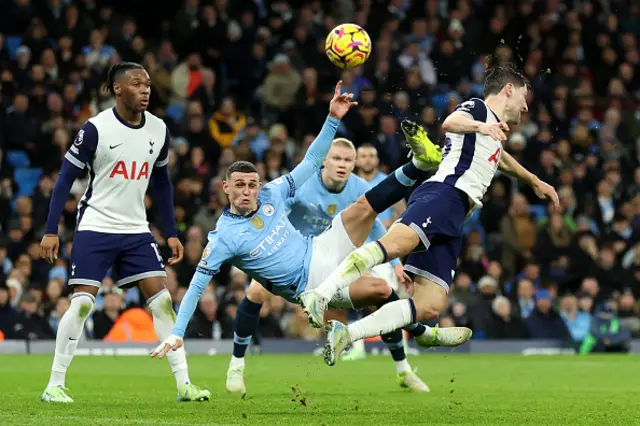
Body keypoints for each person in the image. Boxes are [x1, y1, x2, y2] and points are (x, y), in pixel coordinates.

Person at [151, 81, 452, 367]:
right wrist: (178, 331)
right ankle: (421, 334)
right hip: (311, 285)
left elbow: (310, 162)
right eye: (239, 185)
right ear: (225, 188)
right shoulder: (223, 237)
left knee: (362, 207)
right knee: (380, 289)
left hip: (320, 248)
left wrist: (333, 118)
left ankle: (420, 164)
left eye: (252, 185)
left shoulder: (272, 193)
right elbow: (196, 286)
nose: (247, 191)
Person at [299, 64, 561, 366]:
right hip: (443, 195)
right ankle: (321, 293)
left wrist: (533, 180)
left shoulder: (492, 131)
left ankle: (348, 334)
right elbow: (451, 122)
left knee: (428, 307)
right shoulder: (477, 109)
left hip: (455, 216)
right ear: (509, 90)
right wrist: (481, 127)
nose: (526, 107)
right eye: (524, 98)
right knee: (392, 247)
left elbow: (499, 156)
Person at [40, 62, 210, 403]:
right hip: (96, 225)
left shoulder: (159, 129)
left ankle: (184, 385)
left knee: (162, 302)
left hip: (135, 229)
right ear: (117, 89)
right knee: (84, 303)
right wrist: (51, 230)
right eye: (136, 84)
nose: (145, 89)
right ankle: (54, 384)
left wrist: (171, 231)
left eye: (147, 84)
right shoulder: (96, 129)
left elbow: (161, 183)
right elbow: (63, 180)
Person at [225, 137, 428, 395]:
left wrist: (397, 262)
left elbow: (375, 225)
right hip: (294, 261)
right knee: (255, 292)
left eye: (347, 160)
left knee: (382, 290)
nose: (341, 165)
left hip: (336, 260)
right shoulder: (303, 184)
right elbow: (275, 212)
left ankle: (403, 369)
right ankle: (236, 365)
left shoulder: (359, 187)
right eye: (336, 159)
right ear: (324, 162)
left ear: (354, 164)